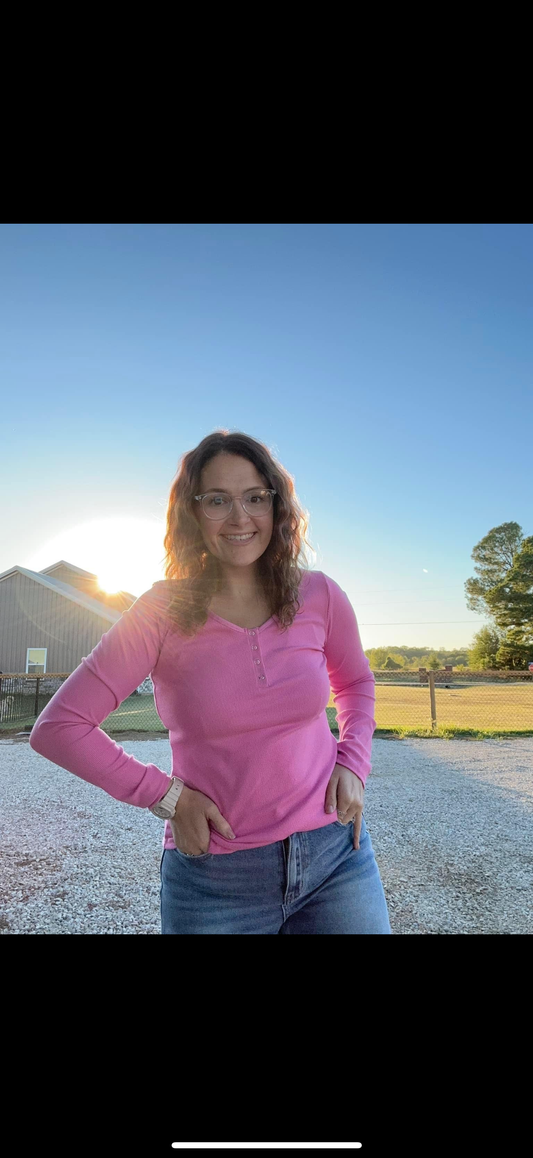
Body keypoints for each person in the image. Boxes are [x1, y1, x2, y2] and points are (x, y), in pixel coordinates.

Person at [29, 430, 391, 934]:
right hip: (216, 878)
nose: (240, 517)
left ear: (276, 506)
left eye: (255, 498)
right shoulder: (161, 610)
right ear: (192, 513)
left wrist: (354, 761)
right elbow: (59, 727)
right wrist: (167, 796)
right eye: (218, 500)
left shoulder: (320, 595)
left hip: (335, 859)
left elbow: (354, 683)